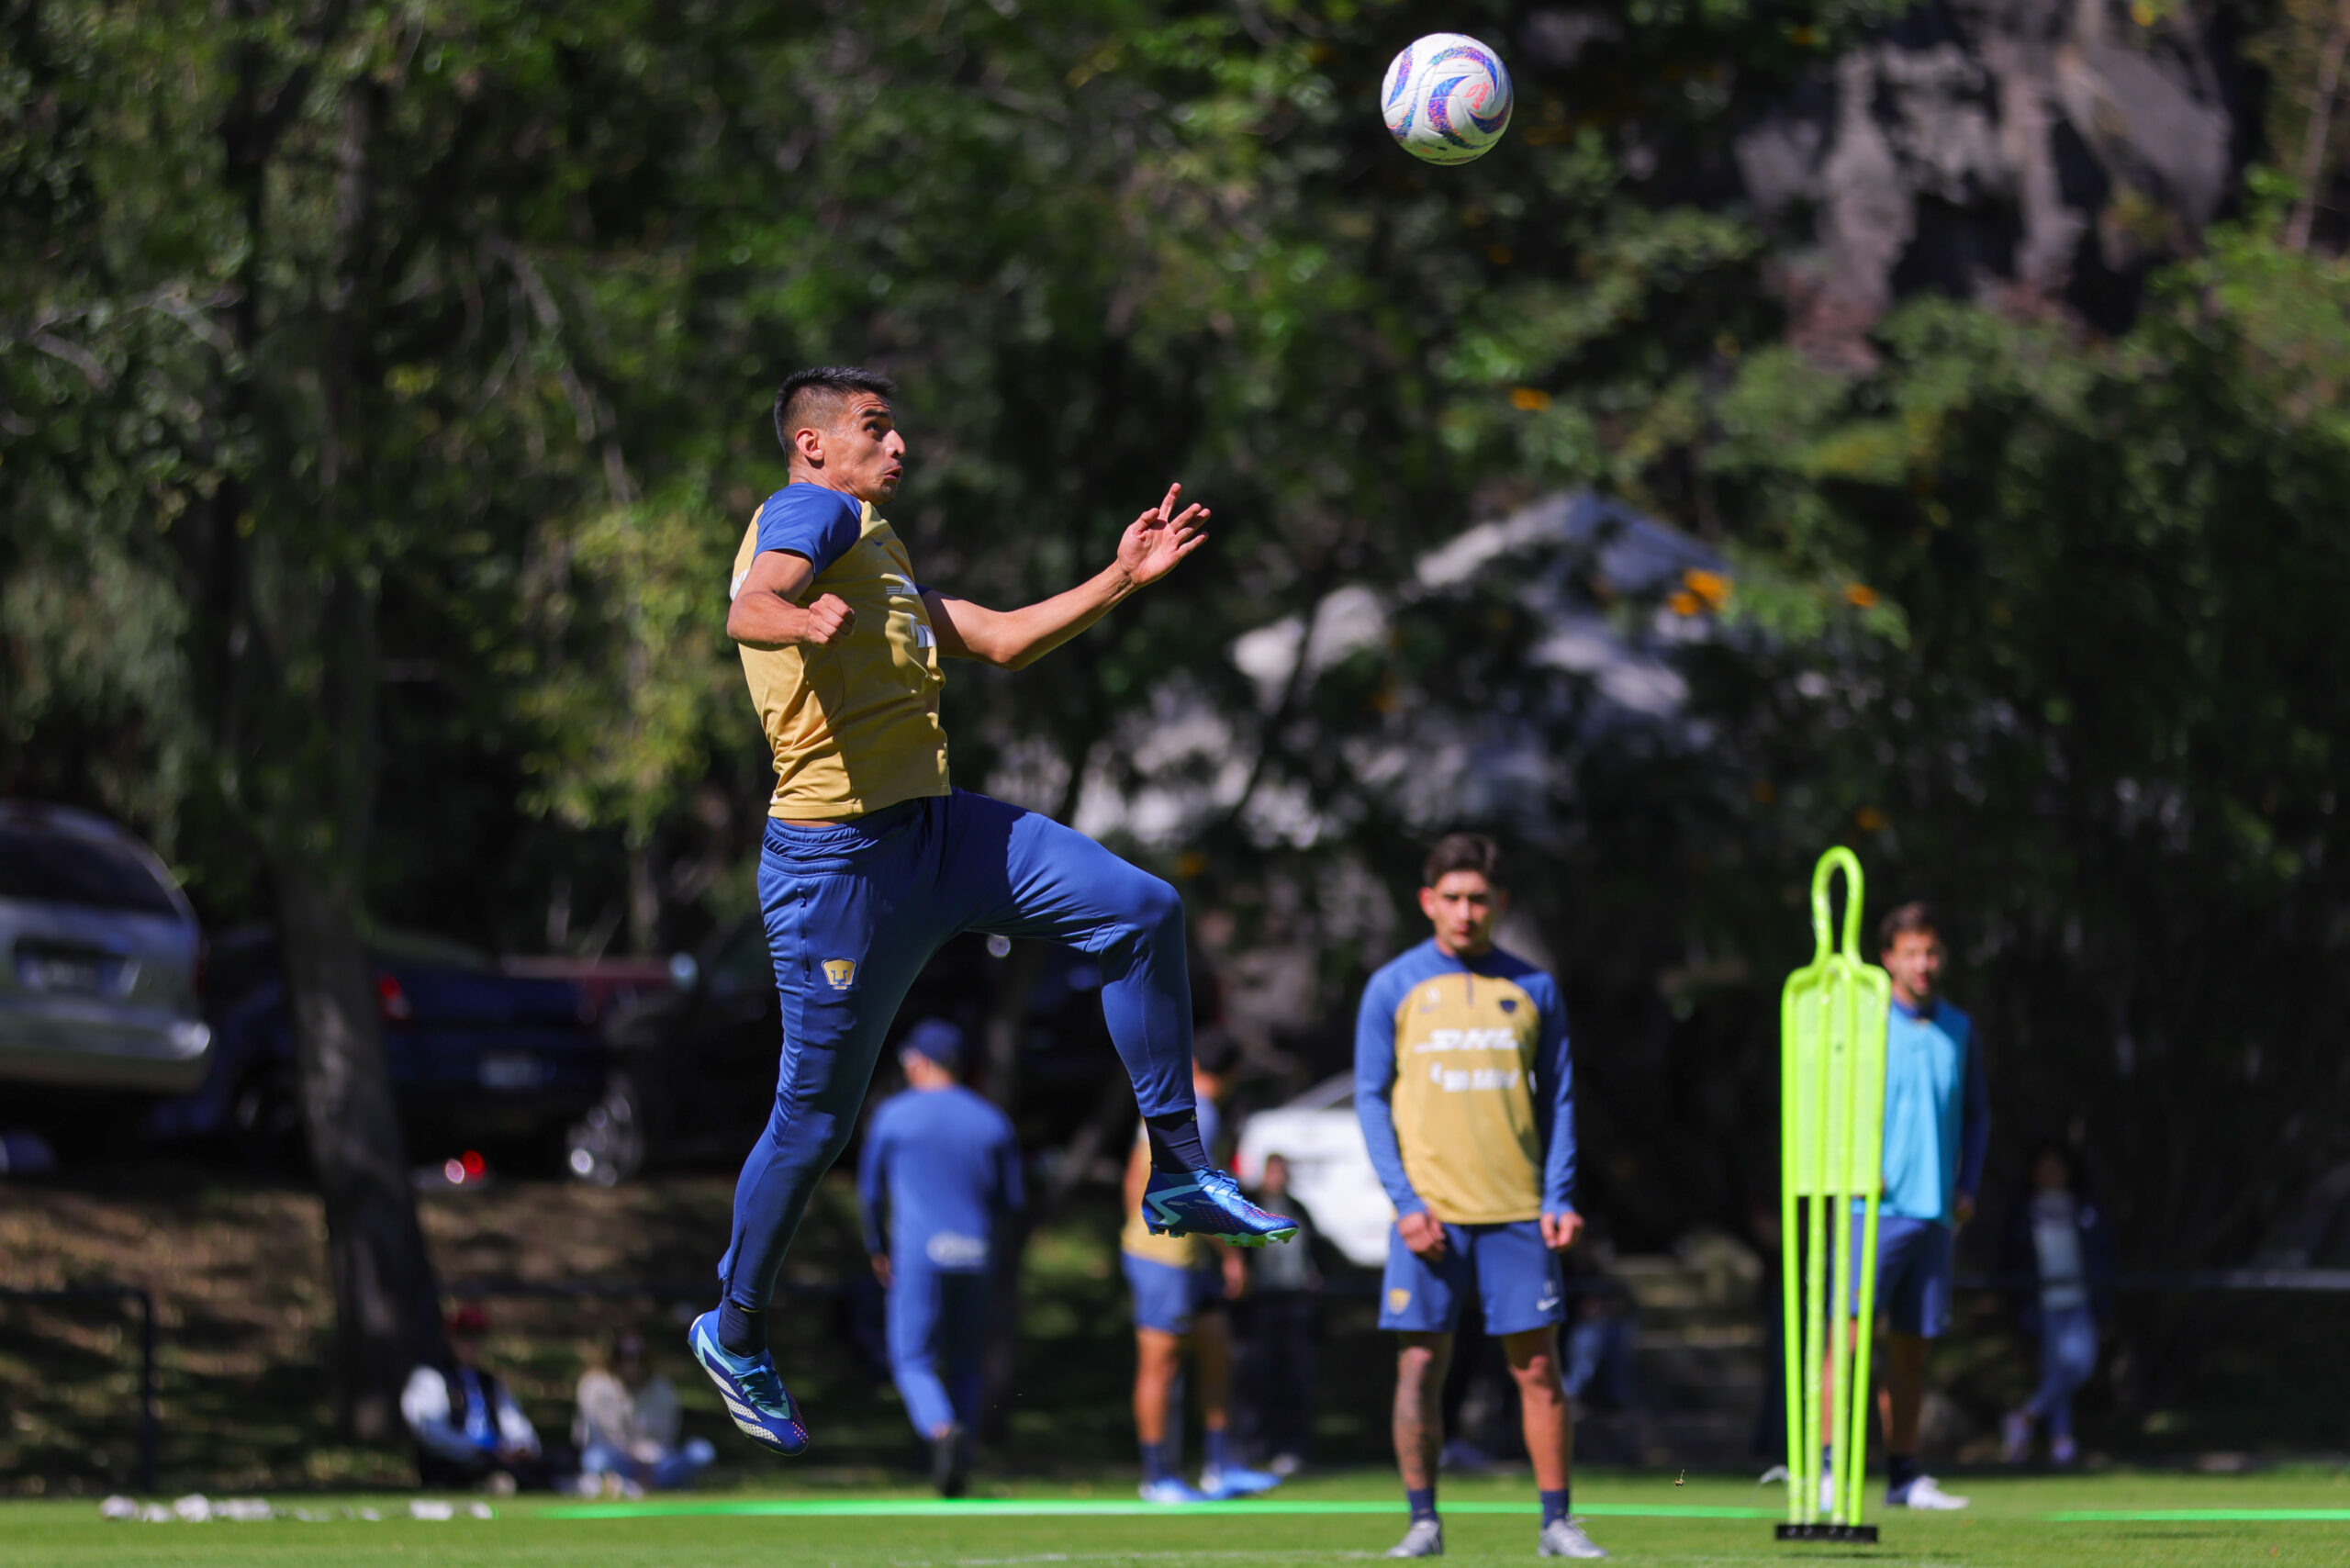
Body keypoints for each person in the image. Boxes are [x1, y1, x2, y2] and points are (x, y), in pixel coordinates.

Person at [688, 367, 1296, 1456]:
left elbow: (1003, 639)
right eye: (876, 428)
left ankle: (1180, 1168)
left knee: (1140, 909)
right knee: (815, 1121)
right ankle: (735, 1330)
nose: (900, 443)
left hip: (939, 836)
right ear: (815, 445)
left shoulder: (875, 547)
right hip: (839, 870)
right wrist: (792, 613)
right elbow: (745, 603)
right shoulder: (814, 511)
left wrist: (1119, 575)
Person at [1355, 833, 1605, 1560]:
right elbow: (1370, 1101)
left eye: (1479, 899)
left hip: (1517, 1213)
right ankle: (1422, 1523)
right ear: (1429, 901)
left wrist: (1557, 1195)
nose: (1465, 912)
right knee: (1420, 1368)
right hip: (1428, 1216)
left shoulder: (1535, 989)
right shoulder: (1393, 988)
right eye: (1452, 898)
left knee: (1537, 1370)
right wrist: (1404, 1201)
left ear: (1499, 903)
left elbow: (1557, 1098)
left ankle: (1557, 1523)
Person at [1831, 902, 1990, 1510]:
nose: (1923, 964)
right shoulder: (1862, 1021)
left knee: (1912, 1350)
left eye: (1932, 952)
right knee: (1845, 1342)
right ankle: (1823, 1469)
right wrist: (1850, 1163)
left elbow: (1976, 1116)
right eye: (1912, 952)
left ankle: (1903, 1477)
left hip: (1934, 1212)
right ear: (1888, 957)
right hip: (1869, 1208)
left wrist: (1967, 1185)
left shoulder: (1957, 1027)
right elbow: (1833, 1105)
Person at [856, 1017, 1024, 1495]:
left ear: (921, 1063)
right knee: (966, 1362)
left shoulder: (894, 1116)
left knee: (911, 1359)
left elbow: (870, 1194)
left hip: (920, 1255)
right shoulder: (991, 1120)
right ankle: (962, 1462)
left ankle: (941, 1428)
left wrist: (877, 1248)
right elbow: (1011, 1201)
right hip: (977, 1254)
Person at [1121, 1029, 1281, 1503]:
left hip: (1188, 1255)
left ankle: (1220, 1466)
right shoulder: (1202, 1117)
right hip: (1166, 1257)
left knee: (1216, 1351)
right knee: (1160, 1365)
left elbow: (1134, 1178)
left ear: (1193, 1065)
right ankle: (1157, 1478)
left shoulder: (1173, 1108)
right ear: (1232, 1074)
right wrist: (1232, 1256)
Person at [1998, 1143, 2112, 1466]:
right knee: (2054, 1370)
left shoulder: (2083, 1207)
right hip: (2043, 1299)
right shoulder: (2025, 1210)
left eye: (2057, 1166)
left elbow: (2101, 1253)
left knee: (2080, 1365)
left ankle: (2025, 1416)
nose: (2051, 1173)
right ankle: (2062, 1441)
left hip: (2078, 1296)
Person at [402, 1306, 551, 1493]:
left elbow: (515, 1423)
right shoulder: (431, 1378)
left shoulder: (490, 1383)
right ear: (450, 1338)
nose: (471, 1344)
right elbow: (432, 1433)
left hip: (495, 1460)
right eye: (465, 1336)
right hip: (453, 1464)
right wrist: (477, 1450)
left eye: (477, 1337)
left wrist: (522, 1446)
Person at [1236, 1152, 1321, 1476]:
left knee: (1295, 1377)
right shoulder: (1249, 1206)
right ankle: (1252, 1449)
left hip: (1295, 1301)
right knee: (1255, 1377)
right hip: (1261, 1302)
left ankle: (1291, 1449)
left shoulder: (1297, 1208)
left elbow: (1314, 1249)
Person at [574, 1329, 717, 1495]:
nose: (633, 1364)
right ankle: (648, 1486)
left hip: (655, 1464)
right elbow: (591, 1438)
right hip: (617, 1461)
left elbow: (665, 1438)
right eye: (626, 1357)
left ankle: (633, 1487)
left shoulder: (662, 1388)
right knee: (595, 1459)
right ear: (614, 1358)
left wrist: (645, 1465)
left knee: (702, 1452)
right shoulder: (594, 1387)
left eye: (639, 1358)